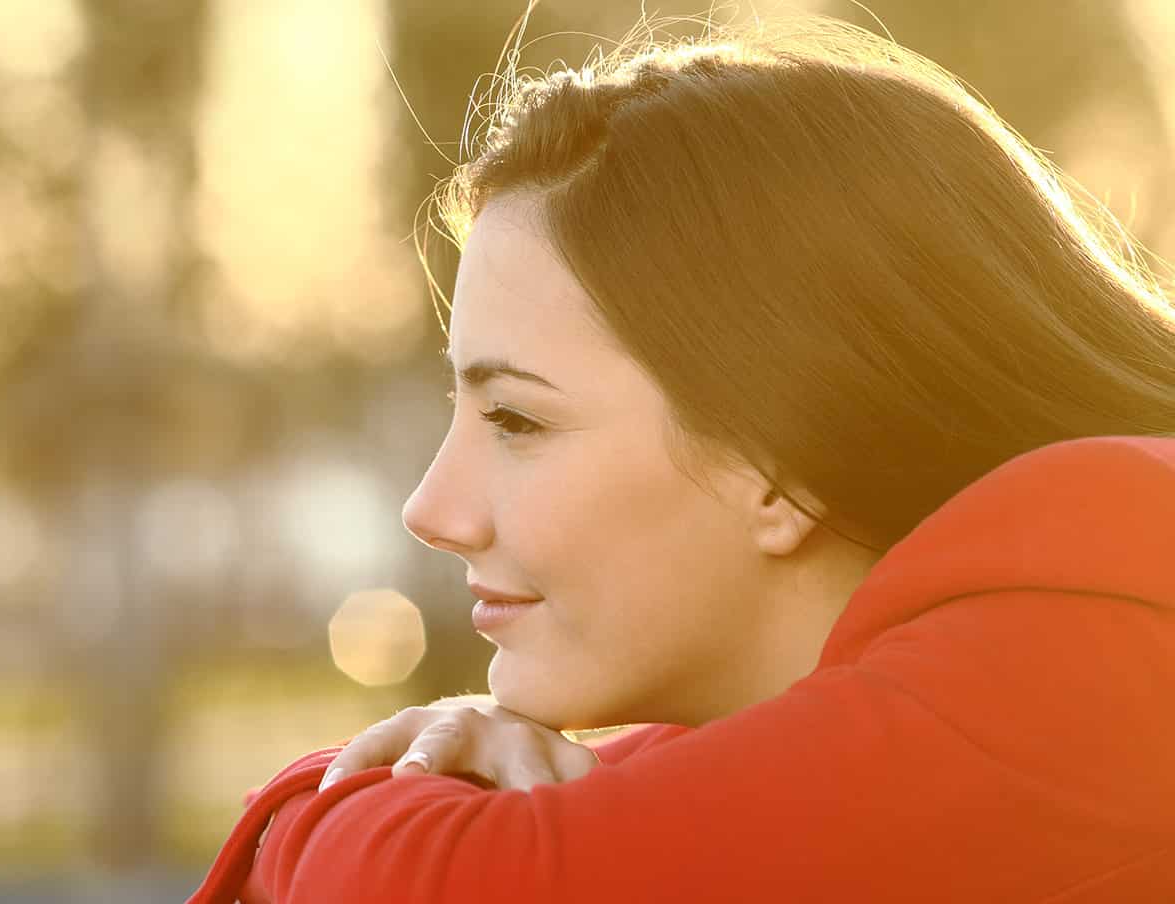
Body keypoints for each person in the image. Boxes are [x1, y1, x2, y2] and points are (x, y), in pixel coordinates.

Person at [187, 10, 1175, 904]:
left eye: (516, 421)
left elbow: (424, 884)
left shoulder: (1078, 666)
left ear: (779, 451)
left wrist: (331, 800)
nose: (432, 507)